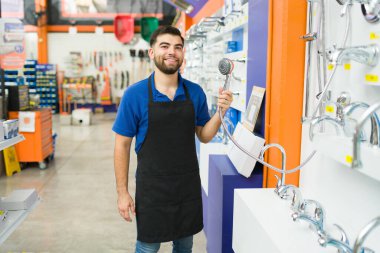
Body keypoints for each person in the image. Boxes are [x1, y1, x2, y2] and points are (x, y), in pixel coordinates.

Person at [113, 26, 233, 253]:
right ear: (151, 52)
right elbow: (122, 145)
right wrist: (122, 192)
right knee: (148, 247)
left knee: (184, 246)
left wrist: (220, 113)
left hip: (185, 188)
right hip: (152, 189)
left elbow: (204, 136)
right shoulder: (134, 95)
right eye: (165, 46)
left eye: (178, 47)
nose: (172, 52)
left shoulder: (195, 93)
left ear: (183, 53)